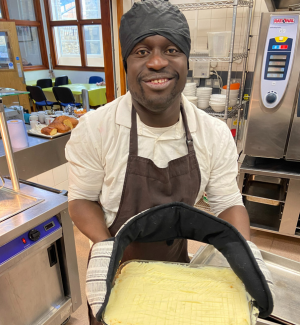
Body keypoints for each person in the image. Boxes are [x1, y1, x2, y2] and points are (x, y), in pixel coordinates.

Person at [66, 0, 253, 323]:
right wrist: (105, 250)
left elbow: (227, 203)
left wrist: (245, 255)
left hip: (176, 266)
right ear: (126, 62)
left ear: (186, 60)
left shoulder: (212, 133)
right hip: (115, 267)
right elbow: (81, 200)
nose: (156, 62)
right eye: (141, 51)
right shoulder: (96, 129)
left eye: (171, 50)